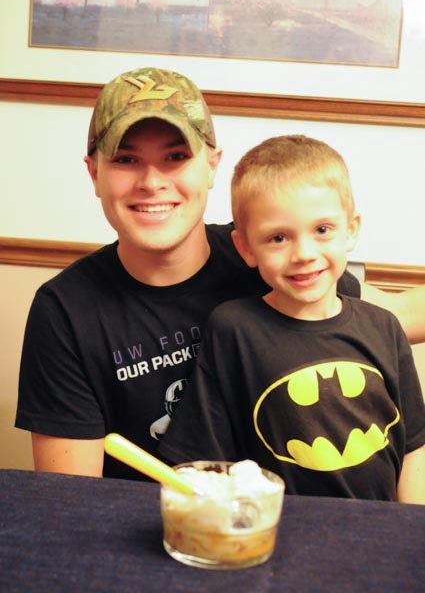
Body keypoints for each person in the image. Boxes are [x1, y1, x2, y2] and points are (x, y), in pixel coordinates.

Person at [15, 67, 425, 482]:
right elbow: (71, 498)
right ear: (94, 174)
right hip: (158, 517)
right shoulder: (66, 310)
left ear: (212, 166)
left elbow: (394, 317)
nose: (152, 182)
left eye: (176, 157)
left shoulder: (272, 256)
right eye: (126, 159)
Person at [159, 135, 425, 503]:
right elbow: (202, 459)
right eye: (278, 238)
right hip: (278, 526)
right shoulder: (234, 330)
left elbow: (413, 449)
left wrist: (411, 526)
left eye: (322, 230)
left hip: (379, 526)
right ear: (246, 248)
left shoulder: (384, 327)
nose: (304, 254)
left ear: (350, 230)